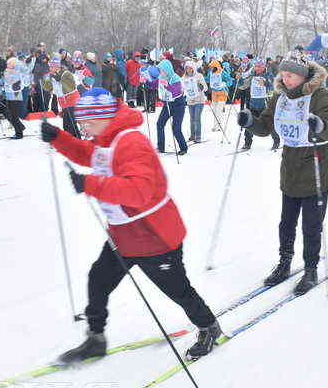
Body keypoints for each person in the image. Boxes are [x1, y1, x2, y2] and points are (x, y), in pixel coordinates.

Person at [42, 88, 222, 362]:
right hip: (123, 234)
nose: (85, 129)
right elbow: (88, 154)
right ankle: (95, 338)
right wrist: (58, 138)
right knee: (98, 280)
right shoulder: (105, 139)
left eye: (88, 123)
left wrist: (90, 184)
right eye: (82, 124)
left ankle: (208, 326)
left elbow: (139, 190)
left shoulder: (131, 142)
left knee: (177, 290)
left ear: (104, 118)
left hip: (154, 236)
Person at [238, 55, 328, 293]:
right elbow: (266, 126)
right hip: (290, 168)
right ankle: (284, 263)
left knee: (311, 224)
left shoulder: (320, 96)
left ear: (303, 75)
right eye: (283, 75)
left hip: (316, 167)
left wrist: (321, 127)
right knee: (286, 223)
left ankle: (310, 269)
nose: (284, 79)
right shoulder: (280, 97)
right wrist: (250, 123)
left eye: (290, 75)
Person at [241, 58, 279, 151]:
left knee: (269, 123)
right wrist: (239, 78)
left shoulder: (268, 74)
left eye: (259, 66)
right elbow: (244, 82)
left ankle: (276, 141)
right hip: (253, 103)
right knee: (249, 123)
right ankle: (247, 143)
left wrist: (265, 83)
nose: (256, 68)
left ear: (264, 66)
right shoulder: (252, 73)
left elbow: (274, 85)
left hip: (264, 103)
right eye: (256, 66)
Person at [155, 58, 188, 155]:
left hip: (179, 104)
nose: (160, 72)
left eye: (161, 70)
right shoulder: (161, 78)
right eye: (159, 70)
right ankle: (160, 147)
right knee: (160, 124)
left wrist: (167, 86)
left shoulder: (175, 78)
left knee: (176, 128)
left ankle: (183, 147)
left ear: (167, 69)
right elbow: (154, 84)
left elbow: (176, 91)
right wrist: (146, 81)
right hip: (168, 104)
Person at [43, 57, 81, 137]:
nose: (50, 68)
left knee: (72, 124)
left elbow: (69, 88)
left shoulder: (66, 74)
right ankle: (71, 142)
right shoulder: (52, 75)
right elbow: (48, 88)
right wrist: (47, 80)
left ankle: (78, 141)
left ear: (57, 66)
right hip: (63, 103)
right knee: (66, 125)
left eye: (51, 66)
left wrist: (57, 79)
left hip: (71, 101)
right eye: (49, 66)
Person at [181, 61, 207, 143]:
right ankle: (192, 135)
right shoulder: (184, 77)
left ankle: (198, 136)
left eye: (190, 68)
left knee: (197, 117)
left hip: (199, 100)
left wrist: (201, 87)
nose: (188, 70)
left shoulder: (199, 76)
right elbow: (182, 88)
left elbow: (206, 87)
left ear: (193, 68)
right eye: (187, 68)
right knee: (192, 119)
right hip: (190, 100)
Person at [3, 57, 28, 139]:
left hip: (16, 95)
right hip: (9, 95)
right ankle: (20, 127)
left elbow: (12, 80)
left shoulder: (17, 72)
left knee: (14, 115)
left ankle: (19, 133)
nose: (7, 65)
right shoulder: (8, 71)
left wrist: (10, 73)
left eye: (9, 64)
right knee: (8, 114)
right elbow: (5, 81)